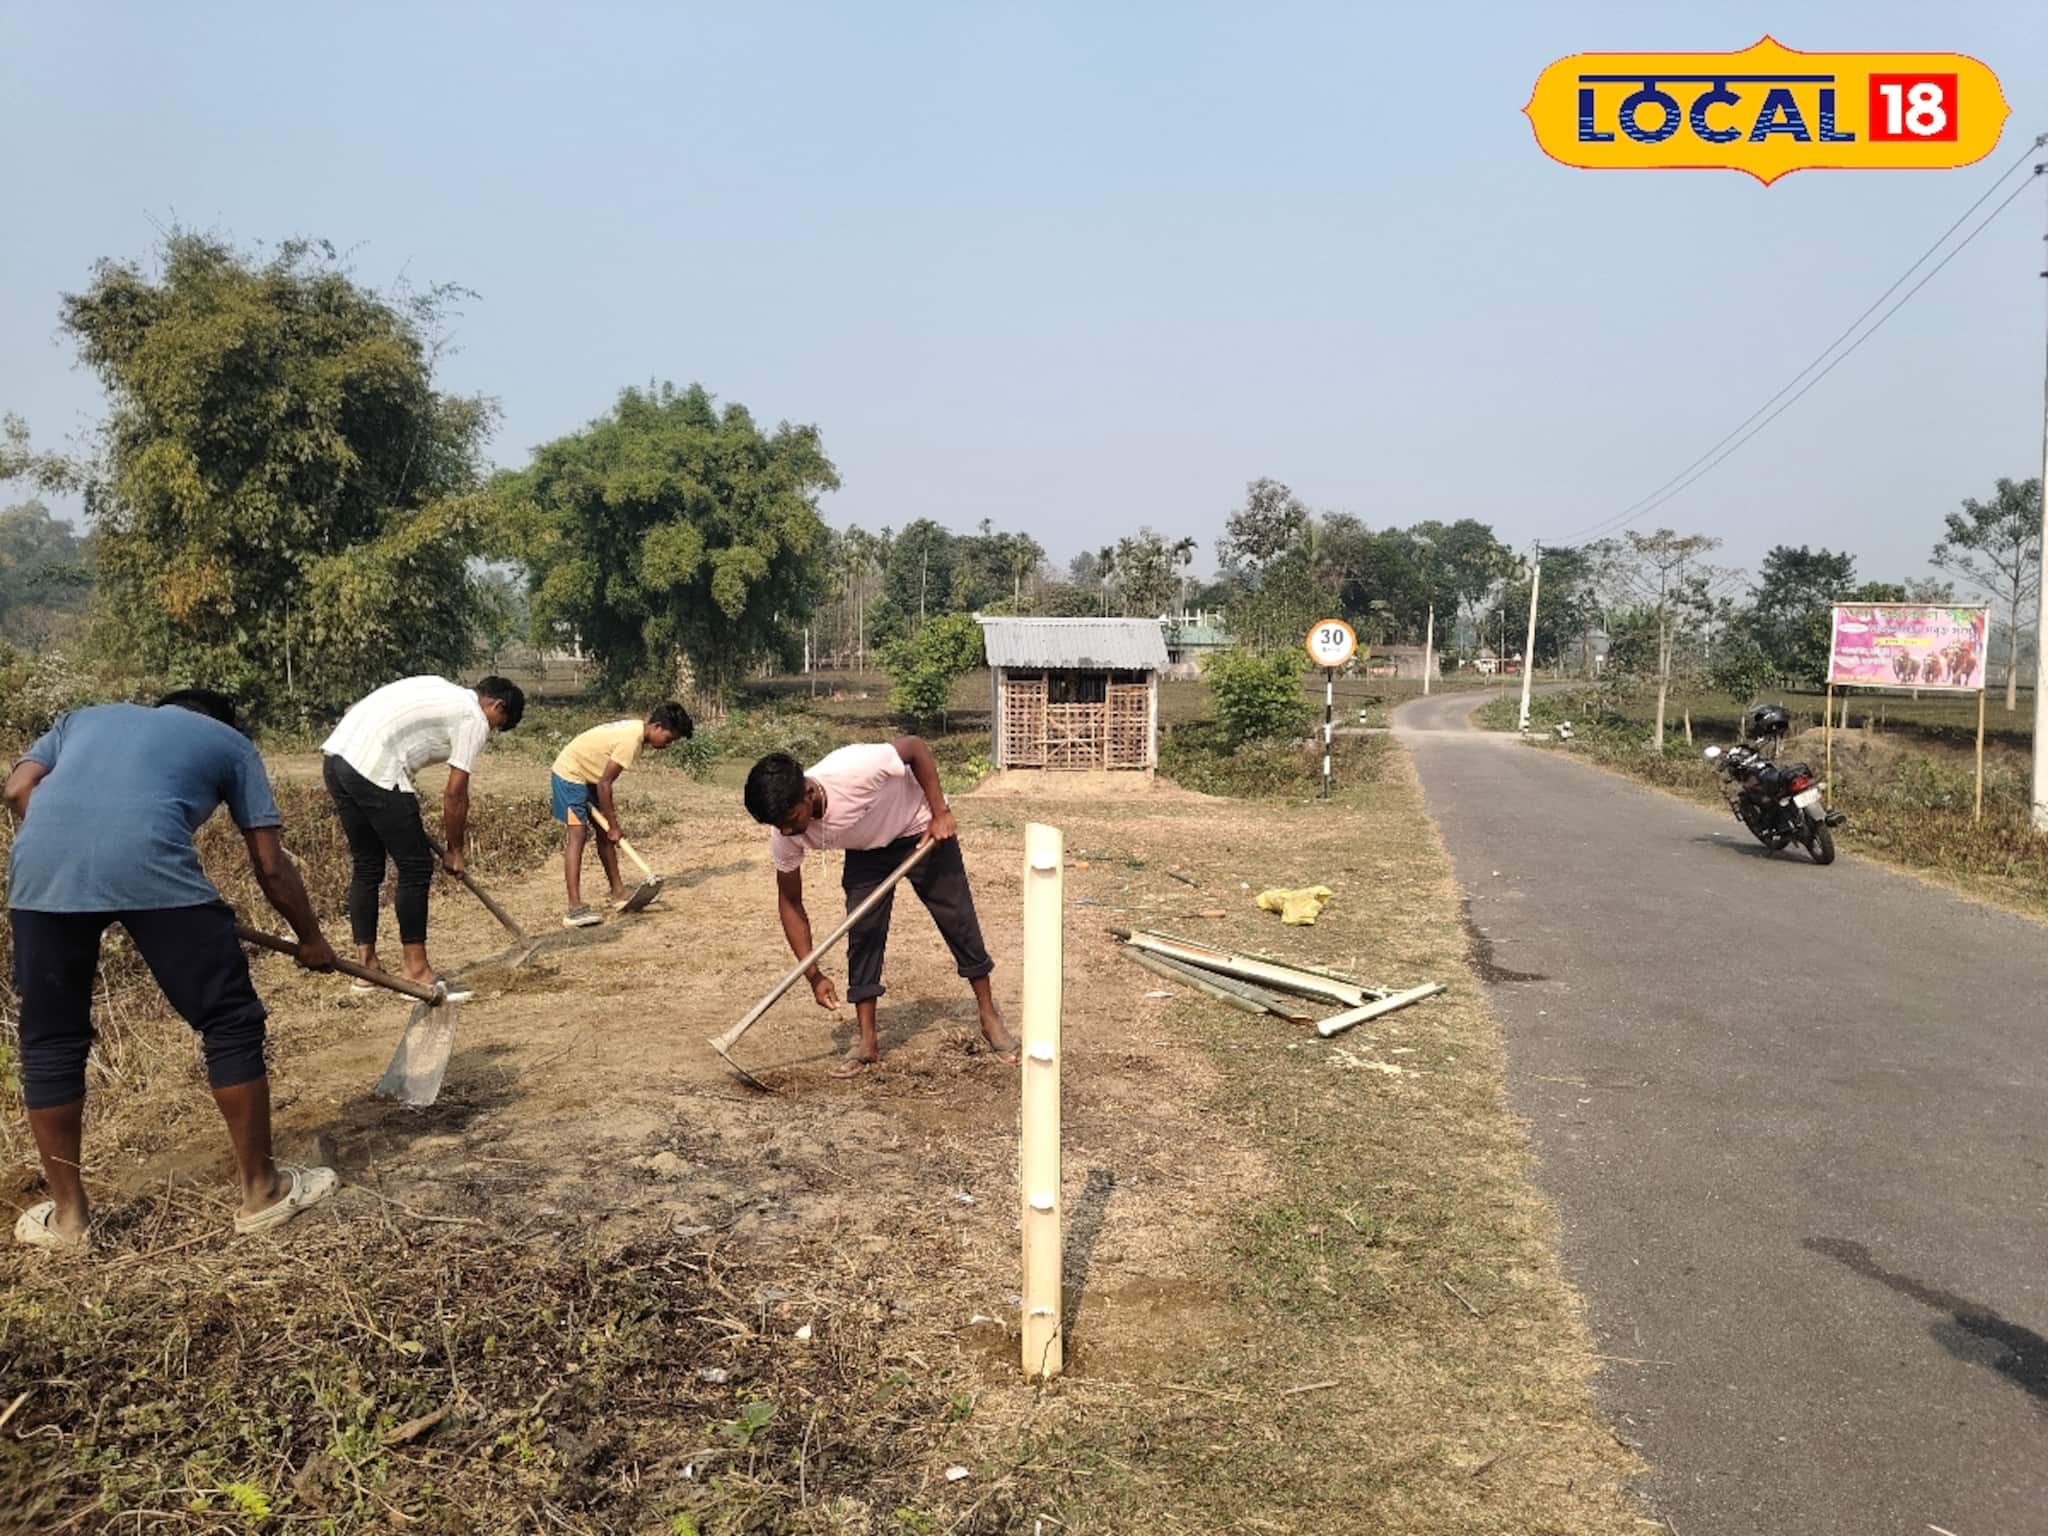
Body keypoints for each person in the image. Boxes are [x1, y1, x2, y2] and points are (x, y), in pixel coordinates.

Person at [5, 690, 342, 1253]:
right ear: (220, 721)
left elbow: (18, 790)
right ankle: (262, 1193)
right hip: (153, 869)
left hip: (41, 876)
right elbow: (270, 864)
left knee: (50, 1042)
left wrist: (76, 844)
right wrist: (310, 938)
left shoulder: (80, 720)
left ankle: (69, 1220)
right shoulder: (231, 744)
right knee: (229, 1021)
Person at [743, 736, 1020, 1077]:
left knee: (958, 919)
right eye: (777, 824)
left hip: (919, 827)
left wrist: (940, 812)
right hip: (867, 849)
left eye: (790, 818)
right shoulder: (785, 833)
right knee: (863, 933)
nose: (786, 829)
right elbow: (790, 902)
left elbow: (915, 748)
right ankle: (867, 1042)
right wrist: (813, 975)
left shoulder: (856, 768)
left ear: (809, 793)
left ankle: (989, 1016)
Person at [320, 675, 525, 999]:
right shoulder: (473, 716)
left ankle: (367, 970)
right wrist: (455, 850)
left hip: (338, 758)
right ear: (497, 706)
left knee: (367, 864)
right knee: (415, 867)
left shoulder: (443, 689)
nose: (491, 731)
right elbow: (455, 793)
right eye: (497, 725)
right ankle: (417, 973)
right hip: (375, 765)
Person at [550, 702, 692, 927]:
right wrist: (614, 826)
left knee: (605, 834)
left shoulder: (636, 732)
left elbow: (602, 782)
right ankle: (574, 907)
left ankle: (618, 892)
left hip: (588, 776)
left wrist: (610, 826)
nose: (668, 745)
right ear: (656, 726)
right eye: (668, 738)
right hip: (569, 775)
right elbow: (605, 784)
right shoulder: (630, 740)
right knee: (578, 835)